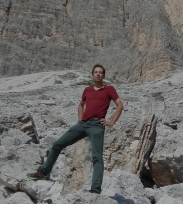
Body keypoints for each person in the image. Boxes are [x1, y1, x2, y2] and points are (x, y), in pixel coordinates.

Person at [27, 64, 124, 194]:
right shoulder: (87, 90)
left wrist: (111, 122)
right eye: (96, 72)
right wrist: (80, 119)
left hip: (97, 126)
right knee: (57, 144)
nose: (98, 74)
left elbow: (119, 105)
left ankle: (95, 190)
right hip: (83, 124)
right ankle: (44, 172)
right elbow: (81, 105)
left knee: (97, 157)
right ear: (92, 75)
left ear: (104, 75)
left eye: (100, 72)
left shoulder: (109, 89)